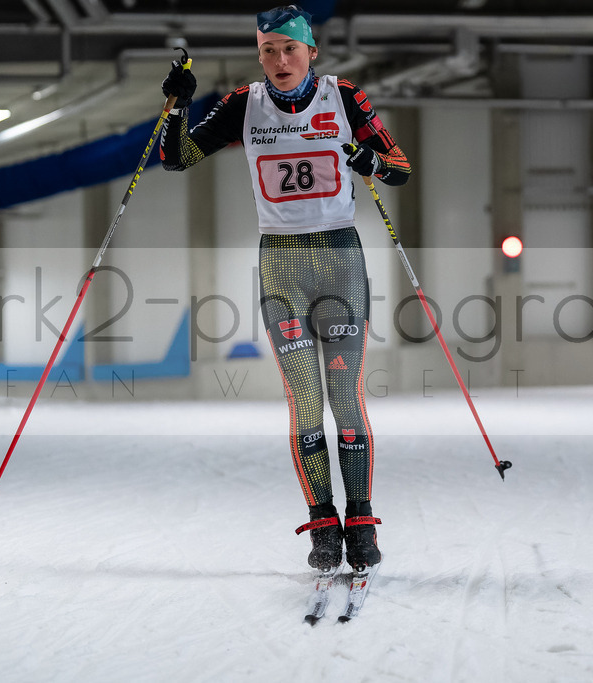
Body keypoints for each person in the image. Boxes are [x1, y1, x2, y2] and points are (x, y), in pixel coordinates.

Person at [159, 5, 411, 572]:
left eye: (289, 49)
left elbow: (399, 168)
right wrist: (178, 102)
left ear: (311, 52)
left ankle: (362, 521)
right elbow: (176, 158)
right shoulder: (243, 105)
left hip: (341, 259)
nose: (279, 60)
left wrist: (366, 159)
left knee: (345, 399)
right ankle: (323, 525)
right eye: (268, 50)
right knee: (305, 403)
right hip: (281, 264)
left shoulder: (343, 98)